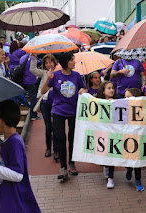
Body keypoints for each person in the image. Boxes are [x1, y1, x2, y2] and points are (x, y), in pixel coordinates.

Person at [41, 52, 87, 180]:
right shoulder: (55, 75)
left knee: (72, 138)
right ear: (66, 61)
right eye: (72, 60)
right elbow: (43, 91)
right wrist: (48, 78)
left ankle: (72, 163)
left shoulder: (77, 76)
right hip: (58, 111)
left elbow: (84, 89)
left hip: (73, 111)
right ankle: (63, 166)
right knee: (60, 137)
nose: (74, 62)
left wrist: (83, 90)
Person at [30, 53, 58, 159]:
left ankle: (56, 150)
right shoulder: (44, 73)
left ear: (54, 62)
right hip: (44, 101)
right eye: (46, 63)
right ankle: (48, 148)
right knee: (48, 126)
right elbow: (32, 70)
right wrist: (33, 57)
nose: (48, 64)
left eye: (50, 62)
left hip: (55, 102)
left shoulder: (58, 72)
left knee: (55, 126)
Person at [96, 81, 117, 189]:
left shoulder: (117, 102)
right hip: (102, 132)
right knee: (105, 153)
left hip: (113, 133)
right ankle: (106, 166)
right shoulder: (99, 102)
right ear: (103, 91)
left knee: (111, 154)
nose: (111, 90)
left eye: (112, 88)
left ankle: (110, 178)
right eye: (108, 88)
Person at [124, 88, 144, 191]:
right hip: (127, 137)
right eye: (125, 97)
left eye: (129, 97)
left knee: (137, 159)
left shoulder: (141, 109)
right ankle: (128, 169)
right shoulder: (122, 109)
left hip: (137, 137)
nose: (126, 99)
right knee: (128, 156)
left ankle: (138, 180)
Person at [20, 53, 41, 120]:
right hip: (32, 80)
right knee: (33, 98)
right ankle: (33, 114)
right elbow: (39, 62)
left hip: (24, 80)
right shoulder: (33, 58)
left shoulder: (22, 57)